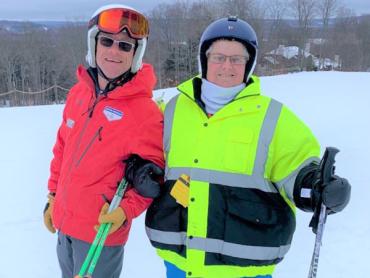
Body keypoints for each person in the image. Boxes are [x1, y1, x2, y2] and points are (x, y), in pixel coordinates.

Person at [144, 17, 351, 278]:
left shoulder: (273, 117)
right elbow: (151, 156)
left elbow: (299, 172)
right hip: (179, 264)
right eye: (218, 57)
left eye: (237, 59)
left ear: (249, 64)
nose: (226, 66)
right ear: (204, 59)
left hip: (245, 268)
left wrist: (319, 188)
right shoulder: (174, 109)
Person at [43, 4, 164, 278]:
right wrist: (52, 196)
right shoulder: (79, 93)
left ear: (135, 54)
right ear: (93, 45)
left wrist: (124, 211)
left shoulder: (144, 112)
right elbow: (62, 147)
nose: (114, 51)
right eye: (107, 41)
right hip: (65, 223)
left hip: (100, 233)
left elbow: (153, 176)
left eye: (125, 46)